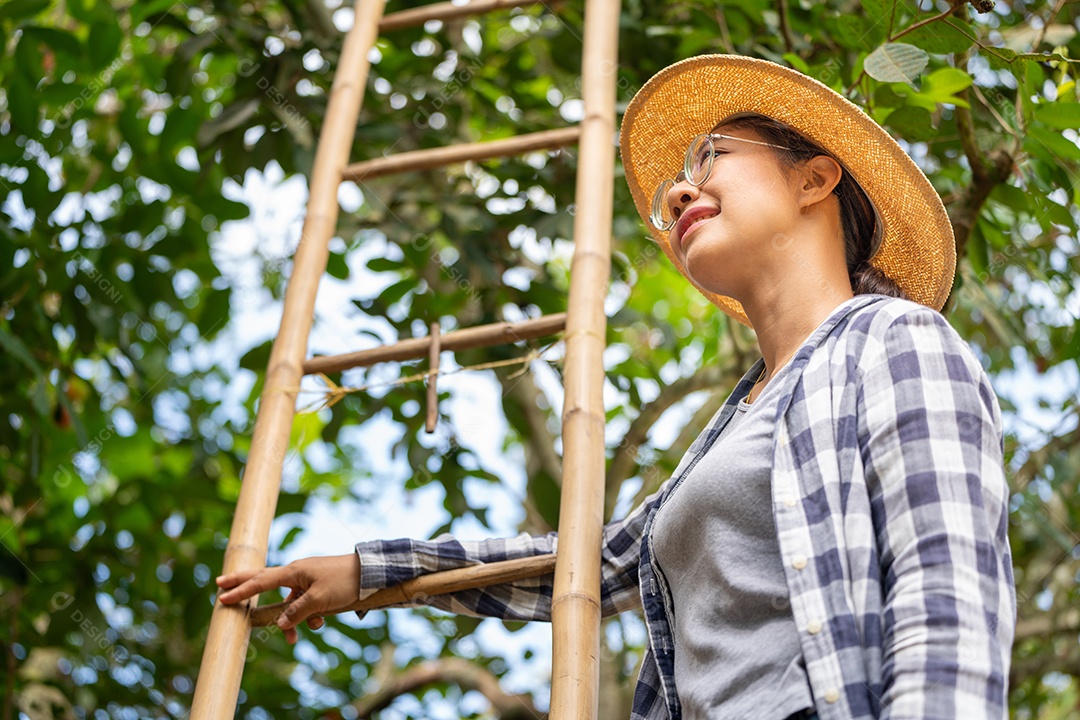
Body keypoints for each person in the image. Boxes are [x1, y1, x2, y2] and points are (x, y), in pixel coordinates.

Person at [217, 55, 1016, 720]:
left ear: (816, 179)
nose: (677, 193)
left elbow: (948, 604)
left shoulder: (895, 341)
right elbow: (597, 566)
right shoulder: (737, 420)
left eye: (710, 156)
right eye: (677, 174)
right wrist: (370, 573)